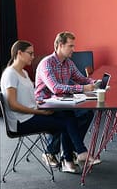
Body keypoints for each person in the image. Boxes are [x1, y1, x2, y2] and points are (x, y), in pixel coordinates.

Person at [1, 40, 92, 174]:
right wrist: (40, 112)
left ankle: (74, 156)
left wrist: (39, 106)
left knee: (68, 114)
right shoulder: (10, 74)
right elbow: (13, 105)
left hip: (33, 113)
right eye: (30, 54)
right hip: (22, 121)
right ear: (19, 53)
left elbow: (28, 98)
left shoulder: (24, 73)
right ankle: (75, 155)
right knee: (66, 122)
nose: (33, 57)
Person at [34, 31, 100, 169]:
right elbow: (56, 88)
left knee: (87, 113)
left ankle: (72, 153)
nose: (73, 50)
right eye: (70, 46)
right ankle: (72, 154)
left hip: (62, 102)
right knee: (68, 116)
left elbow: (82, 79)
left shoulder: (68, 63)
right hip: (45, 103)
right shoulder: (47, 64)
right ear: (59, 45)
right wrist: (83, 89)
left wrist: (96, 83)